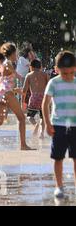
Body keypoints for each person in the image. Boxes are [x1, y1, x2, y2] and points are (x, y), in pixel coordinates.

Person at [42, 51, 76, 199]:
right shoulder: (54, 82)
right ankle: (59, 186)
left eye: (71, 73)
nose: (68, 76)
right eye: (64, 73)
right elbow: (45, 104)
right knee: (58, 158)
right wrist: (48, 124)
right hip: (59, 126)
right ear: (56, 69)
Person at [22, 59, 49, 139]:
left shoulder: (29, 75)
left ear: (31, 67)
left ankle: (35, 124)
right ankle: (41, 133)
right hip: (43, 97)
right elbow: (49, 87)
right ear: (40, 67)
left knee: (29, 116)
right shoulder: (45, 75)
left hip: (34, 97)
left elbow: (24, 90)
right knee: (42, 117)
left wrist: (23, 102)